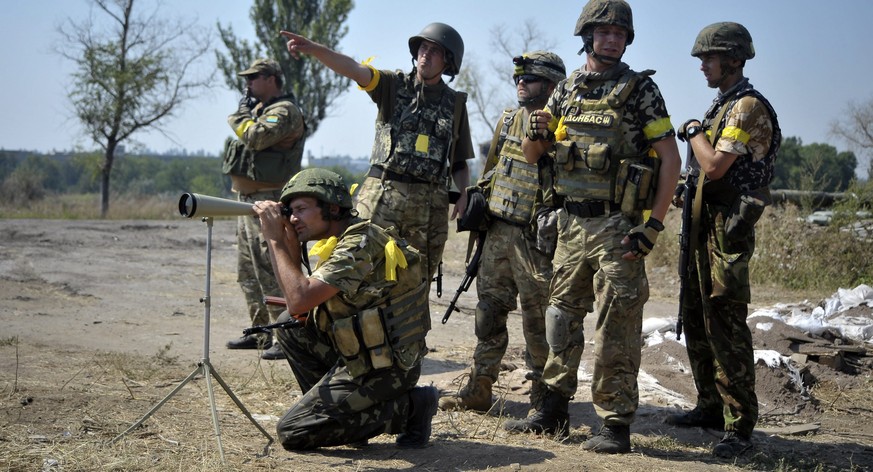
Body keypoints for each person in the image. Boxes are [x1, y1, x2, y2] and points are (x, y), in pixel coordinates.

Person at [503, 0, 681, 455]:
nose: (612, 39)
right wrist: (539, 132)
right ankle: (552, 409)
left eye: (619, 33)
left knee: (617, 324)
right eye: (603, 32)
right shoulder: (564, 91)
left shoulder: (640, 91)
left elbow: (671, 161)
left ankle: (615, 422)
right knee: (560, 317)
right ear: (587, 37)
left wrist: (653, 226)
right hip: (571, 224)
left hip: (618, 225)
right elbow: (531, 155)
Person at [253, 168, 438, 450]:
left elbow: (300, 298)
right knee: (290, 325)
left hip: (389, 368)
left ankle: (411, 407)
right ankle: (343, 420)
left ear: (333, 208)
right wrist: (288, 241)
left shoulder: (360, 243)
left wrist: (275, 240)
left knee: (293, 432)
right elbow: (299, 308)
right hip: (363, 354)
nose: (292, 218)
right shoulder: (339, 242)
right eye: (289, 211)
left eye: (301, 209)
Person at [280, 23, 475, 285]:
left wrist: (463, 193)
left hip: (429, 206)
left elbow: (459, 162)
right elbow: (354, 69)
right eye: (423, 48)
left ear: (448, 61)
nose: (426, 55)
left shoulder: (456, 105)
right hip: (383, 196)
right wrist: (314, 49)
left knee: (416, 279)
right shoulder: (392, 85)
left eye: (435, 51)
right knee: (355, 266)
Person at [665, 22, 781, 459]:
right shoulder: (724, 105)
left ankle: (740, 426)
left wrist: (693, 130)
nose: (701, 66)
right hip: (704, 226)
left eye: (708, 58)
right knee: (695, 315)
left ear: (733, 59)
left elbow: (714, 166)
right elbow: (704, 174)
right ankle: (710, 407)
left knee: (725, 324)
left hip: (725, 233)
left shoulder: (746, 106)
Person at [438, 51, 566, 414]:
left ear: (552, 85)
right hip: (497, 234)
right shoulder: (508, 120)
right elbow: (491, 170)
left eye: (530, 78)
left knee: (538, 322)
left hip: (536, 242)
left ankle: (544, 400)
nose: (521, 84)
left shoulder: (564, 125)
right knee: (488, 314)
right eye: (518, 79)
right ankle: (480, 388)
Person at [222, 58, 307, 360]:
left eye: (254, 78)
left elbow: (256, 138)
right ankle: (260, 332)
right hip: (247, 199)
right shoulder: (260, 111)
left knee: (273, 267)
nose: (248, 83)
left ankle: (284, 337)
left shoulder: (285, 111)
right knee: (248, 269)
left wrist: (239, 117)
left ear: (272, 79)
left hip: (270, 199)